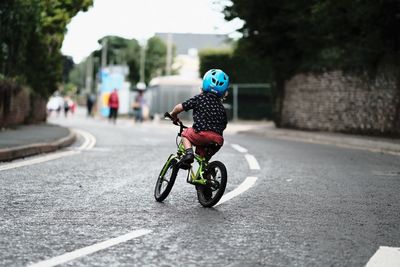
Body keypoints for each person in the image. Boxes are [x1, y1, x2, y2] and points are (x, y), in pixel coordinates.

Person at [169, 69, 229, 166]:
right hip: (217, 140)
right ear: (224, 92)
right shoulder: (221, 107)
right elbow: (224, 124)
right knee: (204, 162)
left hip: (201, 134)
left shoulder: (200, 98)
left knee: (185, 134)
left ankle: (189, 154)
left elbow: (179, 107)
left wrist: (173, 115)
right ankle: (208, 177)